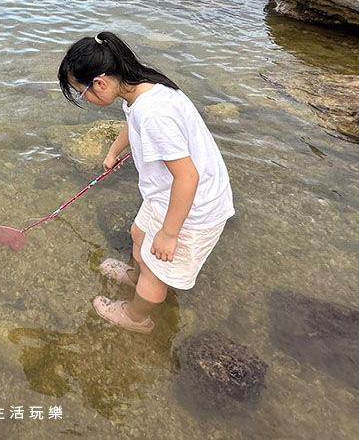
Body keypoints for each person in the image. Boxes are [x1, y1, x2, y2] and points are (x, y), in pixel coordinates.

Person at [57, 31, 233, 334]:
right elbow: (132, 121)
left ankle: (137, 318)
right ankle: (135, 278)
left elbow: (188, 177)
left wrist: (169, 233)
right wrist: (114, 151)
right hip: (166, 196)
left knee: (155, 270)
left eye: (82, 93)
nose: (86, 99)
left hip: (192, 209)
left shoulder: (154, 115)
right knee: (139, 233)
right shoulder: (141, 90)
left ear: (99, 82)